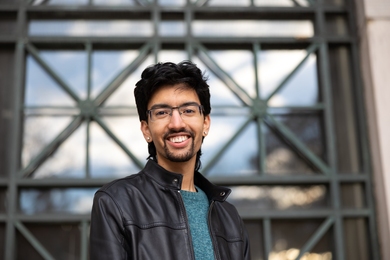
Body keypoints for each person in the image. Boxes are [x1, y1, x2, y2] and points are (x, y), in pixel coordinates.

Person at [89, 61, 250, 260]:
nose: (176, 123)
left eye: (188, 110)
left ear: (205, 123)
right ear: (146, 129)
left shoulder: (229, 217)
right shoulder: (115, 202)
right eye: (162, 113)